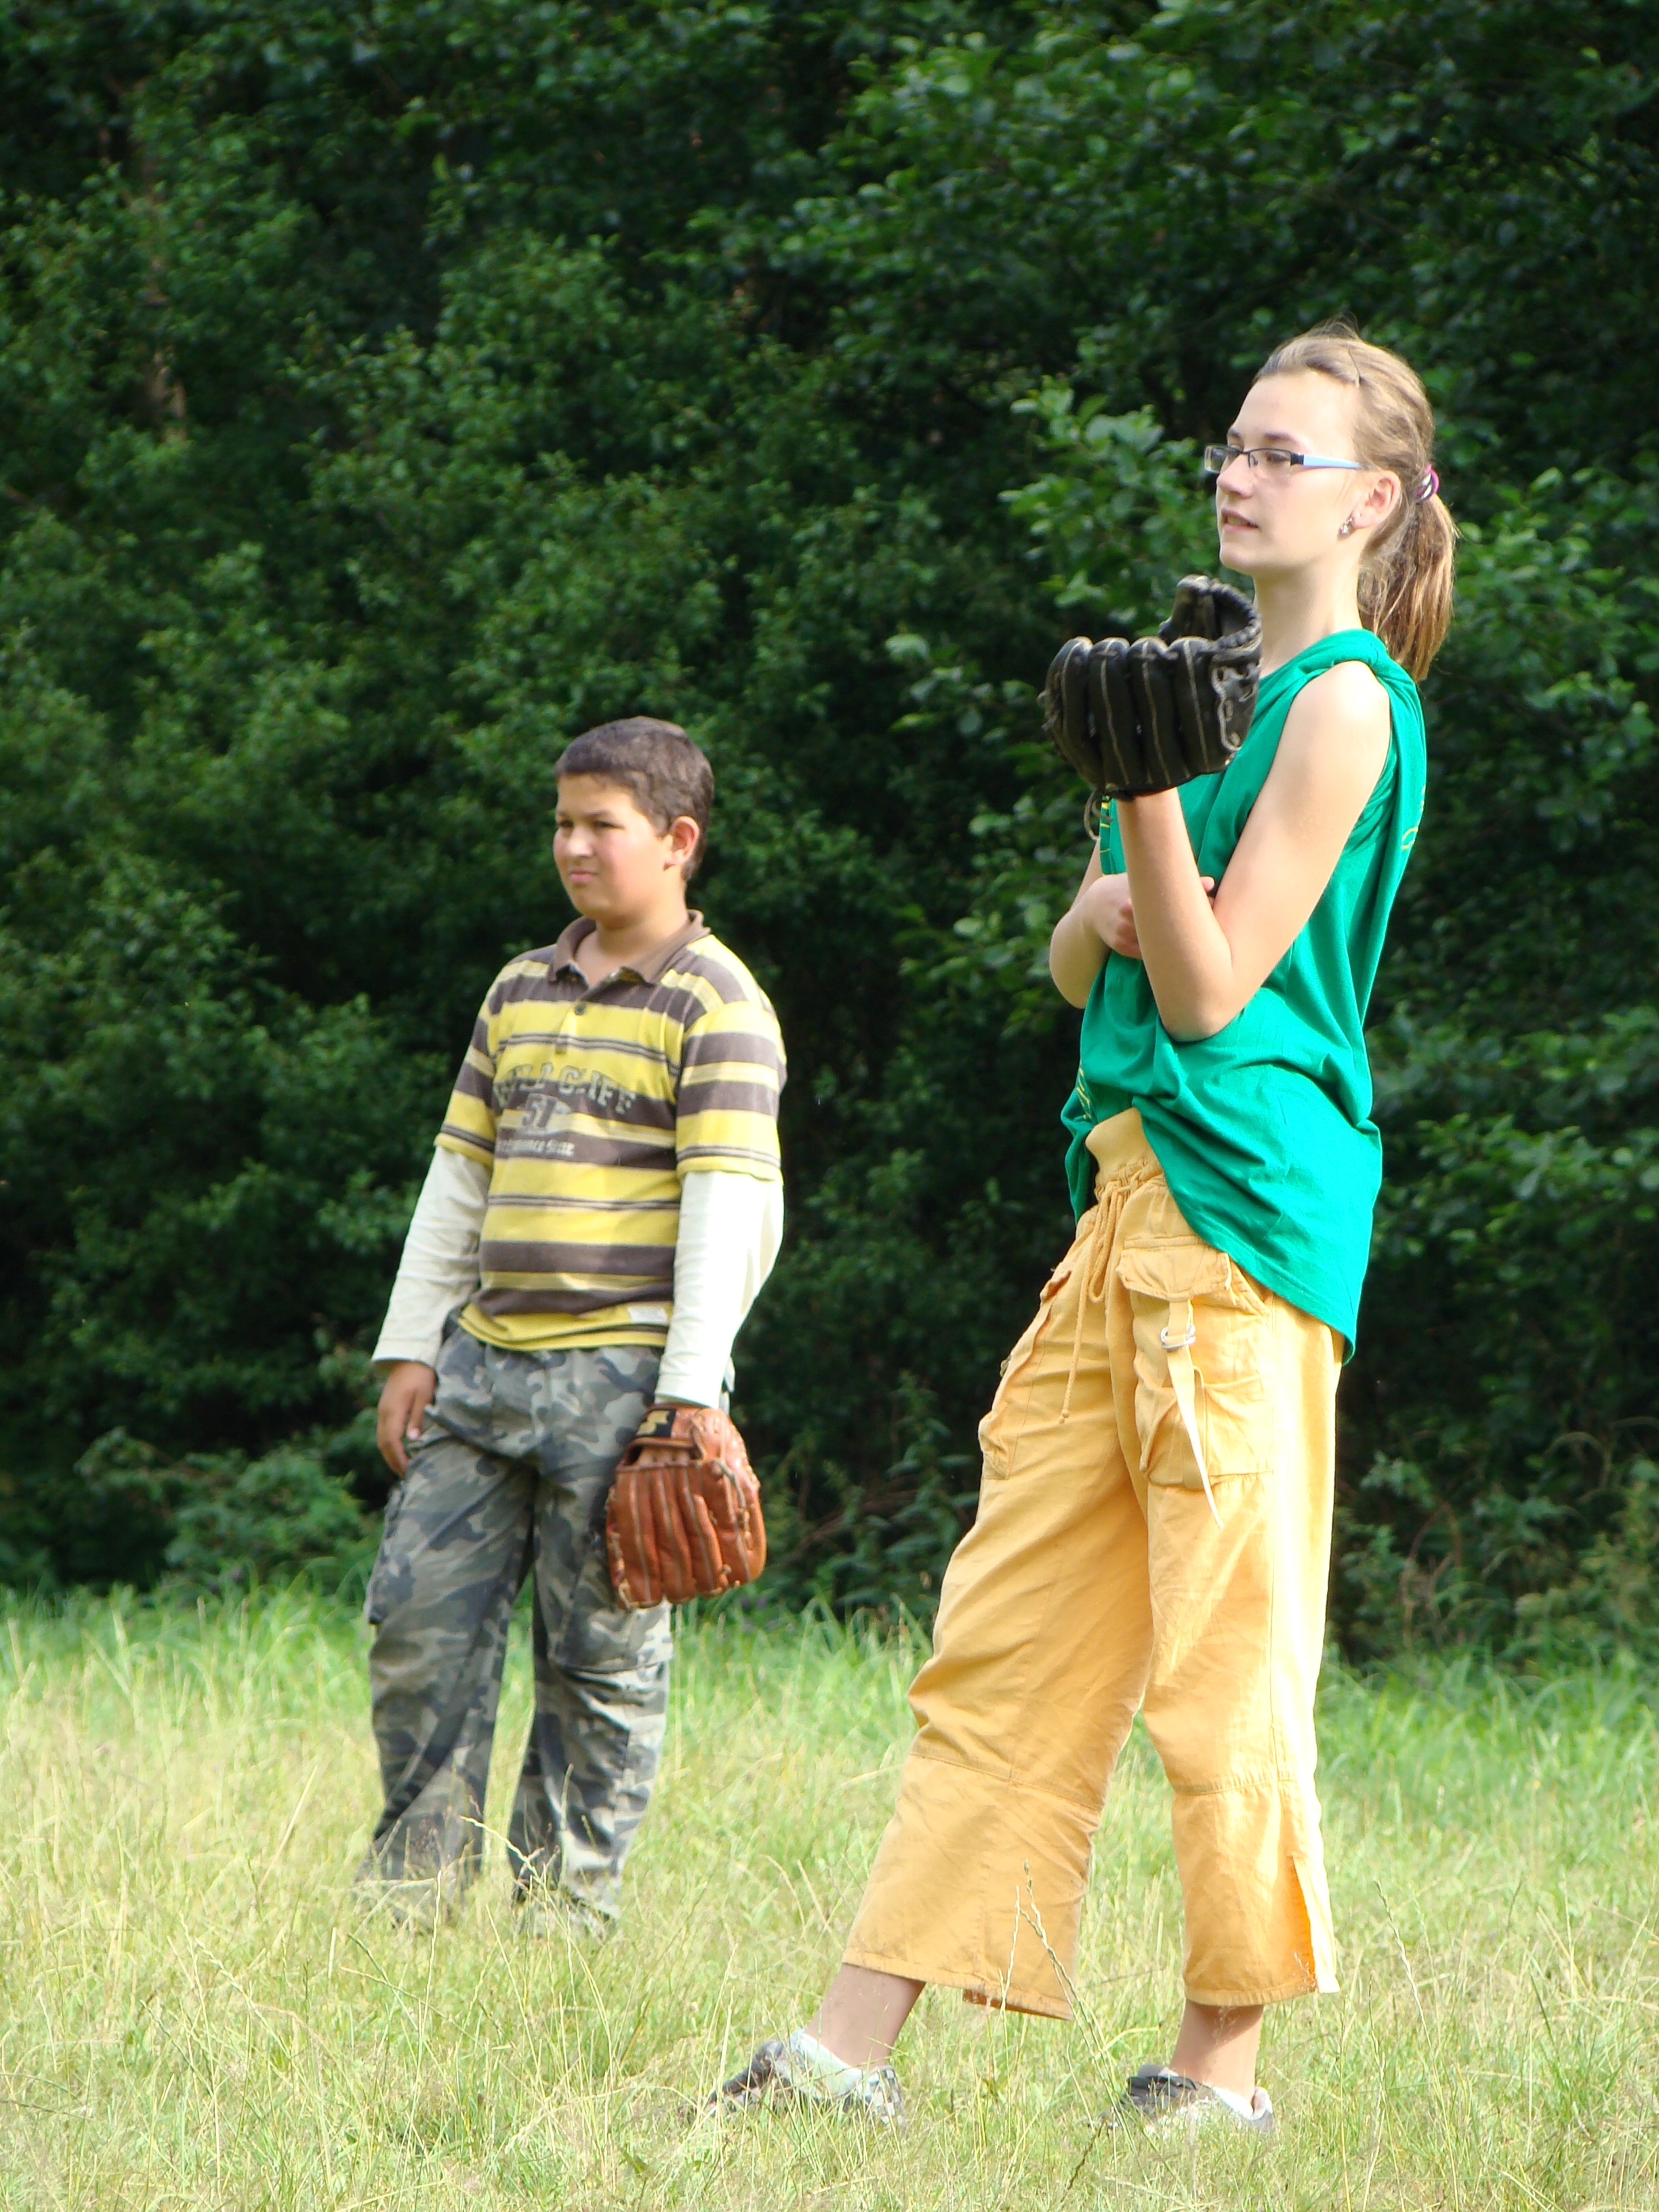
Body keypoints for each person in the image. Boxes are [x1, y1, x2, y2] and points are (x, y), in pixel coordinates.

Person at [712, 324, 1454, 2132]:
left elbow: (1205, 990)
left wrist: (1141, 804)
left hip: (1244, 1219)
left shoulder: (1343, 704)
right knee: (1009, 1640)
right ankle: (845, 2056)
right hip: (1121, 1205)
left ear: (1370, 500)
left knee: (1225, 1662)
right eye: (1233, 445)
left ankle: (1219, 2074)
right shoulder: (1199, 676)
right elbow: (1076, 957)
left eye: (1281, 454)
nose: (1239, 474)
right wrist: (1122, 865)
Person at [360, 716, 786, 1935]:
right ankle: (411, 1902)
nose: (575, 847)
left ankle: (560, 1920)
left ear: (679, 841)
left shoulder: (719, 1003)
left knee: (598, 1664)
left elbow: (729, 1212)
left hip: (625, 1380)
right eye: (563, 823)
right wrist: (411, 1345)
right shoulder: (517, 989)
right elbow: (459, 1179)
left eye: (604, 824)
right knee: (417, 1633)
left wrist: (688, 1395)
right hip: (484, 1365)